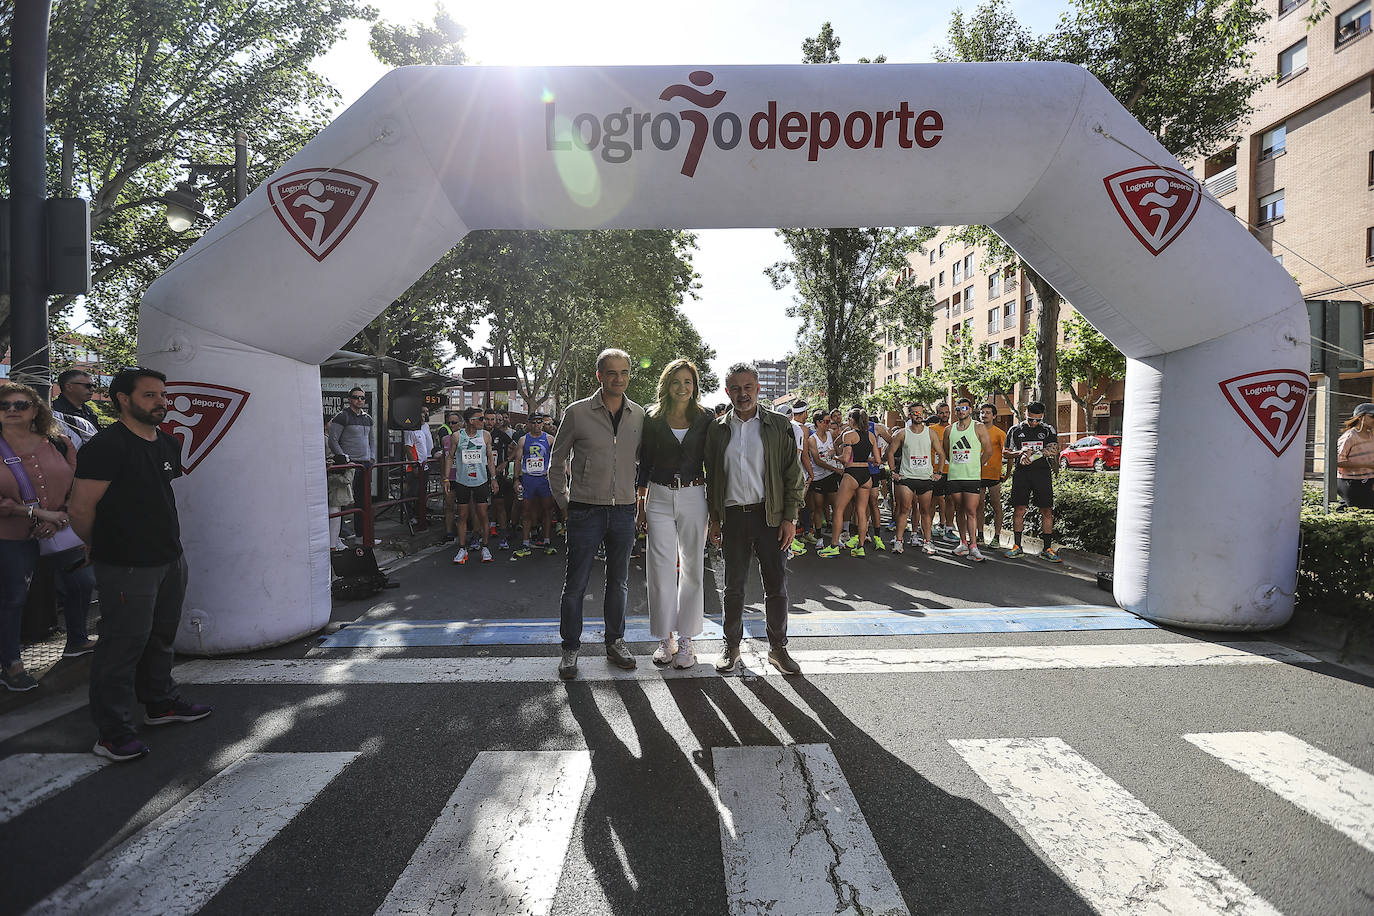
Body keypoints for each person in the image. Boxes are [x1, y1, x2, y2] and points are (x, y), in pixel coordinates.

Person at [68, 368, 212, 762]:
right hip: (126, 564)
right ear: (122, 399)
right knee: (121, 646)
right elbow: (80, 508)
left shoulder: (167, 442)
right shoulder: (105, 446)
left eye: (162, 395)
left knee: (161, 637)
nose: (160, 402)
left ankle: (160, 704)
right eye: (149, 396)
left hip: (169, 556)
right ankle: (112, 733)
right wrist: (99, 546)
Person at [550, 348, 645, 679]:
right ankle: (570, 648)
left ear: (629, 375)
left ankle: (615, 641)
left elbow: (645, 462)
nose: (618, 379)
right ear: (599, 376)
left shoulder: (639, 414)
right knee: (575, 584)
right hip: (584, 510)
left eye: (624, 373)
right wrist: (564, 501)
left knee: (618, 583)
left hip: (623, 511)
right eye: (611, 373)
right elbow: (557, 460)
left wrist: (641, 503)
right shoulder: (577, 412)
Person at [706, 363, 805, 675]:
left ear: (758, 388)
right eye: (735, 388)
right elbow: (713, 477)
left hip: (770, 516)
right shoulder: (718, 428)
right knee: (733, 587)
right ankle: (731, 646)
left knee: (776, 586)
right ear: (727, 392)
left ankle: (778, 649)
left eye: (748, 387)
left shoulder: (778, 424)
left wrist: (790, 517)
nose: (742, 393)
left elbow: (793, 473)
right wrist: (715, 519)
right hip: (733, 517)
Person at [0, 383, 97, 692]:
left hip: (60, 529)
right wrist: (38, 515)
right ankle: (11, 663)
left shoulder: (59, 442)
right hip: (10, 535)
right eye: (5, 406)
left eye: (21, 404)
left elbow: (77, 484)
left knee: (82, 582)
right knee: (14, 598)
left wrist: (63, 515)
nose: (12, 410)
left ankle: (77, 640)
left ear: (35, 410)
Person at [636, 359, 713, 669]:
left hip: (695, 494)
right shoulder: (652, 418)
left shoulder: (705, 419)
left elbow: (713, 461)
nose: (682, 387)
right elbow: (646, 463)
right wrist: (641, 503)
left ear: (694, 385)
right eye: (676, 382)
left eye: (688, 381)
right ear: (666, 385)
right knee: (660, 567)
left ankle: (686, 640)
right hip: (658, 495)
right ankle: (665, 637)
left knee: (693, 568)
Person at [1004, 401, 1062, 562]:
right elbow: (1006, 452)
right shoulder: (1015, 430)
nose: (1034, 423)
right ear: (1025, 414)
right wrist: (1020, 454)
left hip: (1042, 474)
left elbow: (1053, 449)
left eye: (1038, 420)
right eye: (1031, 419)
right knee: (1019, 509)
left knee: (1047, 510)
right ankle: (1017, 546)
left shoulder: (1047, 429)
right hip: (1022, 474)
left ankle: (1047, 548)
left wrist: (1033, 456)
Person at [821, 408, 882, 558]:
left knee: (839, 509)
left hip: (852, 474)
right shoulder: (871, 436)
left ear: (852, 420)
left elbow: (845, 458)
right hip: (866, 476)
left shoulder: (849, 435)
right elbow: (878, 461)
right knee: (861, 512)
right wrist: (863, 458)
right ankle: (860, 547)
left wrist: (833, 456)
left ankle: (834, 545)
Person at [889, 402, 945, 555]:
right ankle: (899, 541)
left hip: (925, 478)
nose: (918, 415)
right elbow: (890, 452)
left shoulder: (930, 433)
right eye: (915, 413)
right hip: (907, 477)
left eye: (920, 413)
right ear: (909, 415)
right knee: (904, 509)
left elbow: (941, 453)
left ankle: (927, 542)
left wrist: (939, 472)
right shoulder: (902, 433)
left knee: (925, 511)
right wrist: (893, 471)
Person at [445, 407, 497, 565]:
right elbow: (450, 457)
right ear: (470, 421)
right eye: (480, 419)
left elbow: (489, 459)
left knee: (482, 514)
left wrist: (493, 478)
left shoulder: (486, 435)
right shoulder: (457, 436)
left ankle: (485, 547)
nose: (484, 422)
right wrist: (446, 478)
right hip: (462, 481)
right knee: (462, 515)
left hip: (481, 481)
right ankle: (462, 548)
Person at [943, 397, 992, 561]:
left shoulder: (978, 427)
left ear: (970, 410)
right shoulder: (949, 430)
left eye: (964, 408)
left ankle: (973, 546)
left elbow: (989, 450)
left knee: (971, 511)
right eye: (958, 409)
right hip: (955, 476)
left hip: (972, 477)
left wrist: (976, 465)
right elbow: (947, 451)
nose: (961, 411)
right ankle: (963, 543)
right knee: (959, 510)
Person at [329, 388, 375, 535]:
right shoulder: (342, 417)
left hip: (365, 464)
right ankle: (339, 536)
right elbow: (332, 440)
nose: (360, 400)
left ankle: (362, 535)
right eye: (356, 397)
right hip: (350, 465)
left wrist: (372, 456)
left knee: (364, 501)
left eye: (362, 398)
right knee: (343, 501)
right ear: (349, 399)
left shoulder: (368, 418)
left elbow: (372, 440)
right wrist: (344, 458)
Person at [512, 414, 558, 557]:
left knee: (547, 510)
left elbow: (556, 459)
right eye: (534, 422)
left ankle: (547, 541)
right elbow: (518, 460)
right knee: (526, 511)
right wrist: (516, 479)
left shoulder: (550, 439)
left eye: (540, 422)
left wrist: (555, 477)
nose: (537, 425)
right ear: (529, 424)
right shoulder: (523, 440)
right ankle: (525, 543)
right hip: (528, 479)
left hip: (544, 480)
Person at [804, 409, 843, 545]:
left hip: (831, 476)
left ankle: (837, 538)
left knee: (837, 506)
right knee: (818, 508)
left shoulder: (831, 433)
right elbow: (817, 461)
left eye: (829, 421)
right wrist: (835, 469)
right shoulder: (812, 440)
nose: (829, 424)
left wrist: (837, 455)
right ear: (818, 423)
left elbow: (838, 448)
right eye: (826, 421)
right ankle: (819, 538)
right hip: (819, 477)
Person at [979, 403, 1008, 547]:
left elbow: (1008, 454)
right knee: (978, 506)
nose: (984, 415)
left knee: (996, 506)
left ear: (994, 416)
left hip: (994, 476)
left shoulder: (1000, 433)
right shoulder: (974, 431)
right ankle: (979, 535)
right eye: (982, 412)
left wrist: (1007, 474)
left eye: (988, 412)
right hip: (976, 475)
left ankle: (996, 537)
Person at [1336, 402, 1374, 509]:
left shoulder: (1371, 435)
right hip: (1351, 482)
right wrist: (1366, 465)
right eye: (1372, 416)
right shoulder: (1349, 437)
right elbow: (1337, 461)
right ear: (1361, 417)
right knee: (1356, 513)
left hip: (1369, 481)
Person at [436, 410, 462, 541]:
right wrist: (443, 476)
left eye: (454, 422)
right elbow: (443, 458)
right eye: (449, 423)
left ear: (461, 424)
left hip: (463, 478)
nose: (451, 425)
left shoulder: (466, 438)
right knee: (449, 505)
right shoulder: (444, 439)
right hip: (449, 478)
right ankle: (449, 532)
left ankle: (470, 531)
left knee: (465, 507)